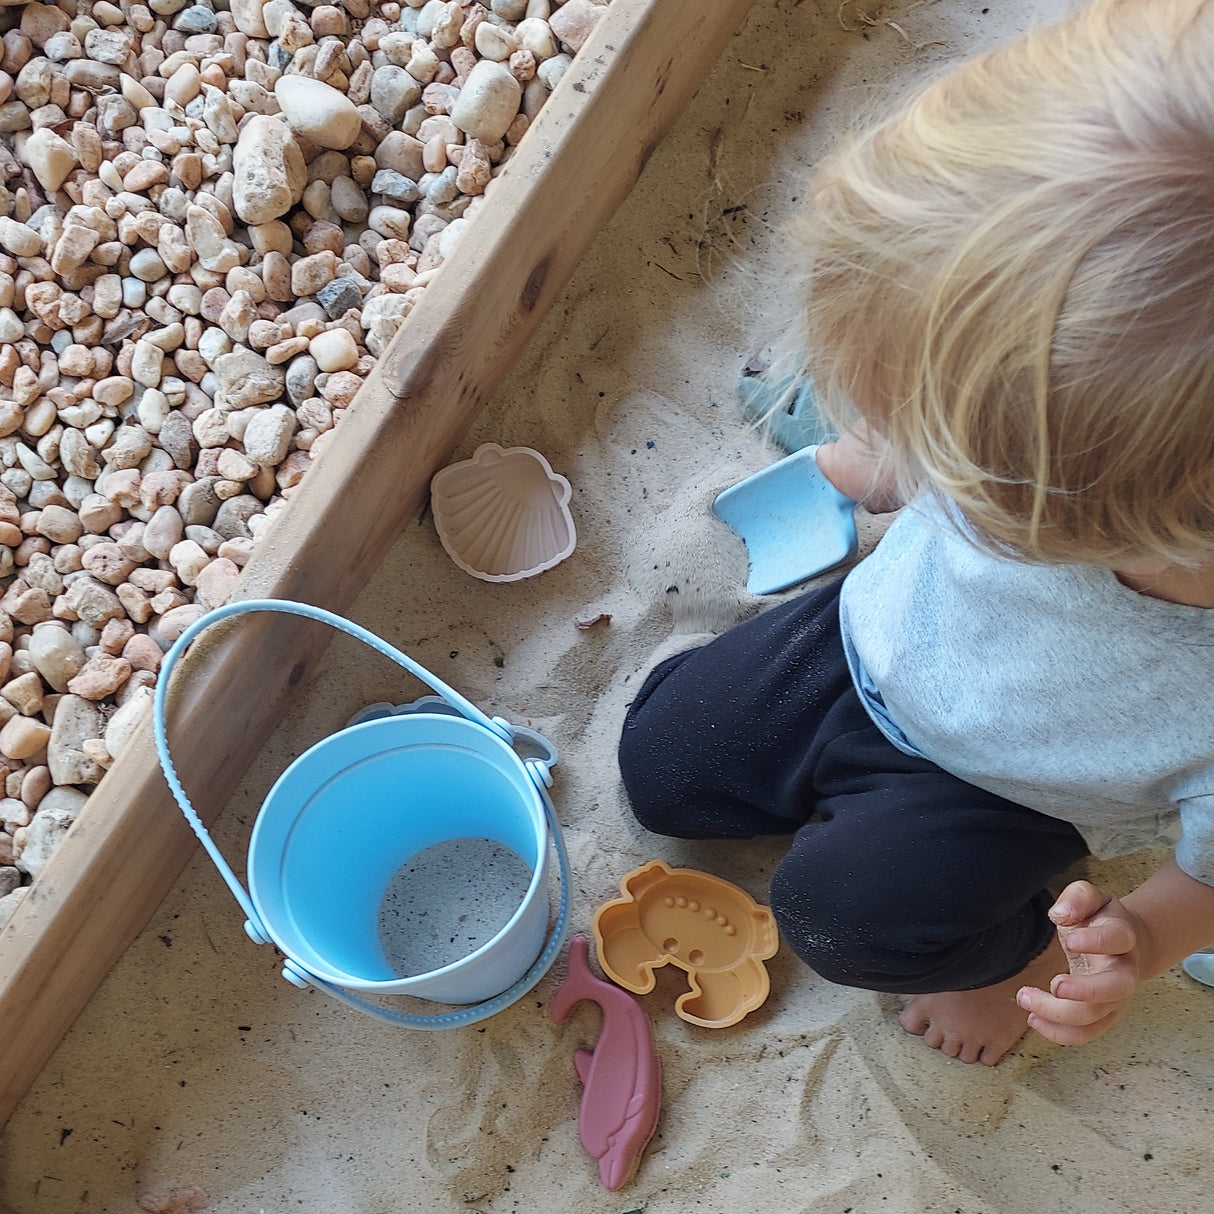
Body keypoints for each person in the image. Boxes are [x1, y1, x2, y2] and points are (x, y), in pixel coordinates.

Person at [617, 0, 1214, 1066]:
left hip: (1004, 789)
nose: (916, 456)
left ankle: (1002, 952)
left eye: (941, 449)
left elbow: (1202, 884)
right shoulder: (1055, 438)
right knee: (661, 762)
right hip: (865, 635)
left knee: (846, 921)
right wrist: (881, 449)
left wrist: (1130, 945)